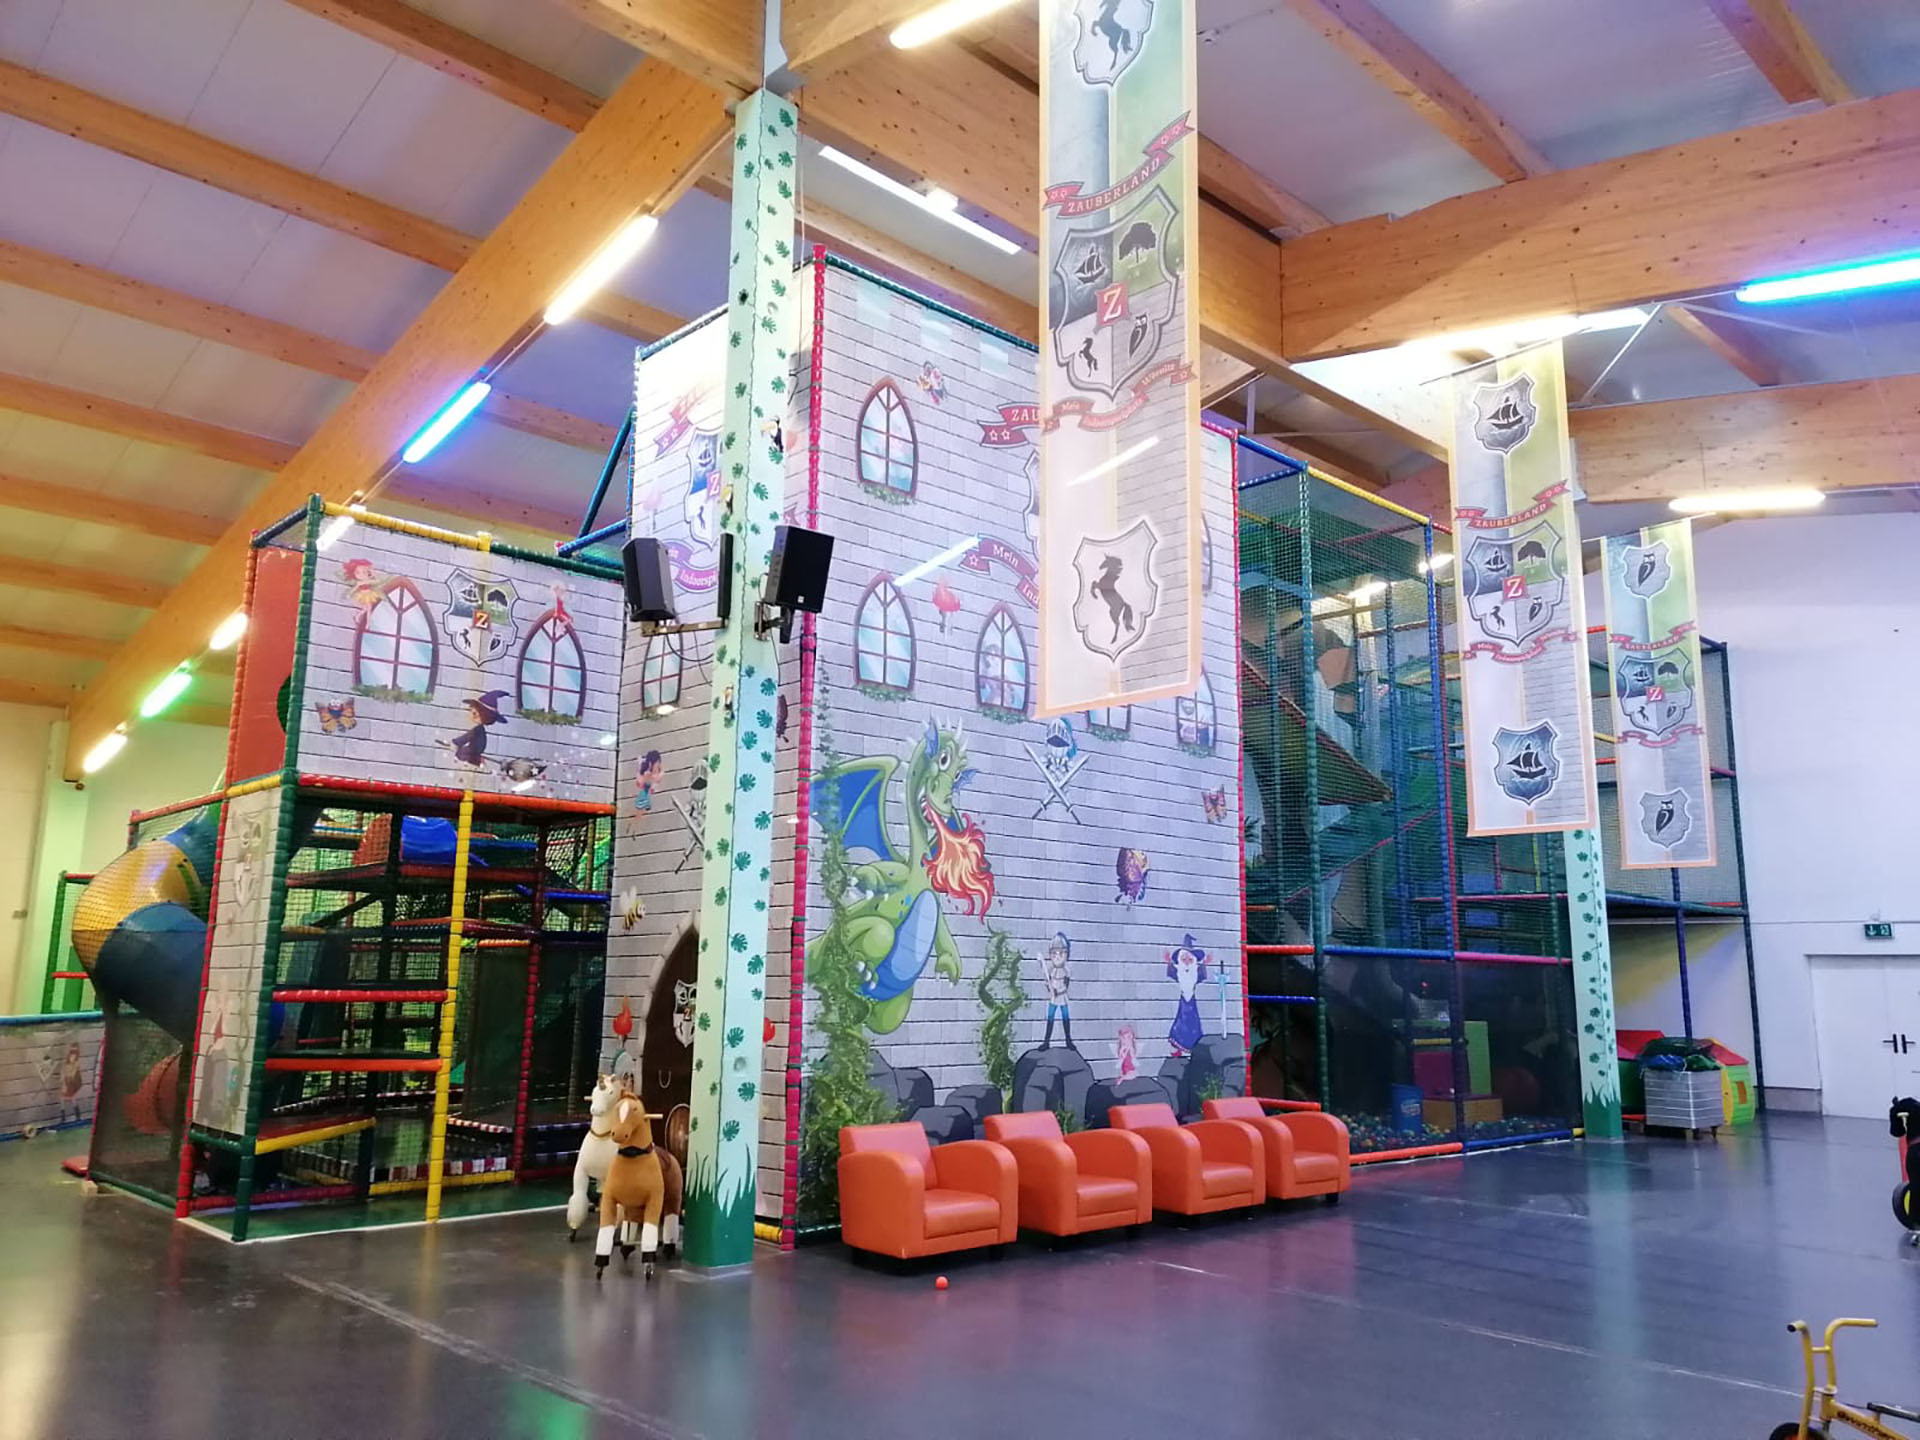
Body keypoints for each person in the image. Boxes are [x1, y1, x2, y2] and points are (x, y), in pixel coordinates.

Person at [1041, 931, 1074, 1051]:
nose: (1058, 956)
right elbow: (1047, 982)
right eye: (1054, 953)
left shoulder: (1066, 971)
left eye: (1061, 953)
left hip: (1062, 997)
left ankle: (1068, 1040)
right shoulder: (1051, 970)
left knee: (1065, 1017)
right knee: (1050, 1018)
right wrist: (1049, 986)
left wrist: (1058, 991)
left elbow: (1066, 986)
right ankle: (1046, 1042)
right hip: (1053, 998)